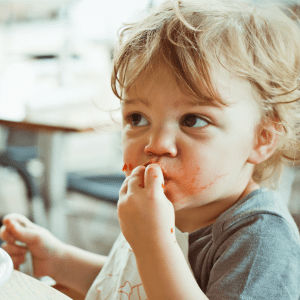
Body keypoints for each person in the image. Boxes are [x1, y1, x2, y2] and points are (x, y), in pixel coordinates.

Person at [1, 0, 300, 299]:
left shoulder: (261, 241)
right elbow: (136, 286)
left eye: (192, 120)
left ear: (262, 139)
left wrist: (153, 244)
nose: (155, 144)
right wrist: (60, 262)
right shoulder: (169, 209)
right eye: (137, 118)